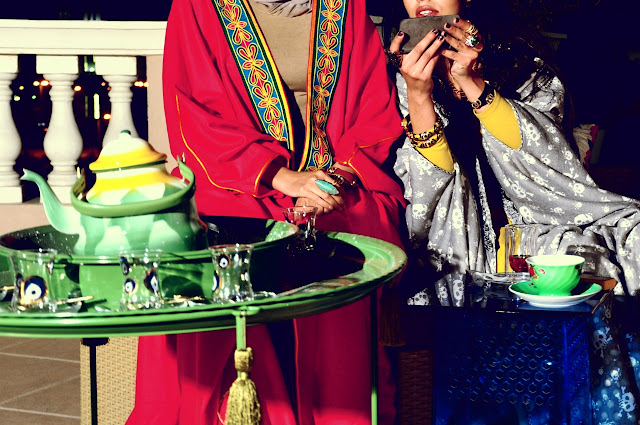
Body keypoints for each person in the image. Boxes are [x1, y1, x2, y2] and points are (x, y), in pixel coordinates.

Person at [126, 0, 405, 423]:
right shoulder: (196, 8)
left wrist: (334, 181)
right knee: (228, 239)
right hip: (235, 178)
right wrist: (284, 178)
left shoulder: (346, 7)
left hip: (332, 177)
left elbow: (373, 111)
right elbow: (196, 115)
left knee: (349, 227)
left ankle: (335, 410)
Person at [387, 0, 640, 422]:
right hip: (456, 239)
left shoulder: (522, 62)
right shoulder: (390, 70)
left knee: (611, 246)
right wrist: (417, 93)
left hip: (538, 220)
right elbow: (425, 189)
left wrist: (471, 82)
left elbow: (551, 166)